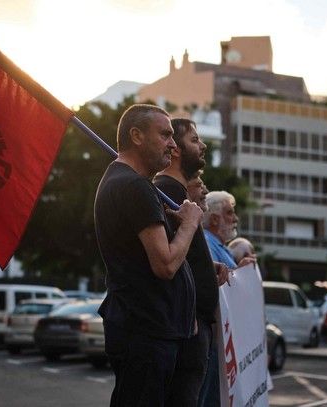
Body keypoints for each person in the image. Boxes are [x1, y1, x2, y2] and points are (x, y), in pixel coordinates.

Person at [94, 104, 203, 406]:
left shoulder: (127, 183)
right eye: (166, 135)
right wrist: (190, 224)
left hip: (147, 330)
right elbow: (165, 264)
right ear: (137, 135)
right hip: (145, 333)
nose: (172, 144)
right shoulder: (134, 186)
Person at [153, 118, 228, 406]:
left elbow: (182, 255)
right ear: (175, 149)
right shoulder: (168, 191)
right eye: (195, 140)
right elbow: (166, 260)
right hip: (188, 329)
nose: (203, 145)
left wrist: (207, 270)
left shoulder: (177, 192)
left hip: (192, 327)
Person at [200, 191, 255, 407]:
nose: (236, 218)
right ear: (214, 219)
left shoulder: (219, 246)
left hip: (223, 344)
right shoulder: (207, 243)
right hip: (215, 343)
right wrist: (240, 273)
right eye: (230, 213)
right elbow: (213, 286)